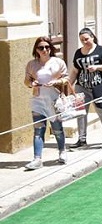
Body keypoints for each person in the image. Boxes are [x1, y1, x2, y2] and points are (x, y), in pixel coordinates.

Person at [23, 37, 69, 169]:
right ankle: (37, 159)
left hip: (54, 100)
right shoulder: (32, 64)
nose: (44, 50)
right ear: (36, 50)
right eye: (41, 48)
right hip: (38, 100)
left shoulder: (58, 62)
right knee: (38, 130)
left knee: (57, 129)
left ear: (51, 48)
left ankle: (62, 152)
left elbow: (66, 79)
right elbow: (26, 81)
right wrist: (32, 84)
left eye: (47, 47)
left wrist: (56, 82)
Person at [68, 28, 102, 148]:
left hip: (98, 87)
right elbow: (75, 71)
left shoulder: (101, 50)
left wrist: (97, 67)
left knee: (101, 111)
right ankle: (82, 139)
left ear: (92, 37)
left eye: (86, 39)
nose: (84, 42)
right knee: (81, 113)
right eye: (82, 40)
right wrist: (70, 86)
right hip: (81, 87)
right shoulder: (78, 53)